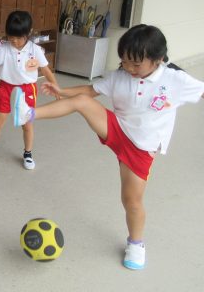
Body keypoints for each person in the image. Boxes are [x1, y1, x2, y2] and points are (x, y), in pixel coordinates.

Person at [13, 24, 204, 270]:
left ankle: (136, 244)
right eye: (125, 62)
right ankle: (28, 114)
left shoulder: (175, 80)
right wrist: (61, 90)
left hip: (141, 147)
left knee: (131, 201)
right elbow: (90, 90)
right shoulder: (120, 76)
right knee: (81, 102)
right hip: (116, 128)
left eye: (137, 64)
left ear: (157, 60)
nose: (130, 69)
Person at [0, 10, 58, 170]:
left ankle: (28, 154)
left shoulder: (35, 49)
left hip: (27, 90)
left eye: (18, 37)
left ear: (28, 33)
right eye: (10, 37)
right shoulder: (3, 49)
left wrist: (56, 88)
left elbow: (46, 70)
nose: (14, 41)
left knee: (27, 125)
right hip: (6, 89)